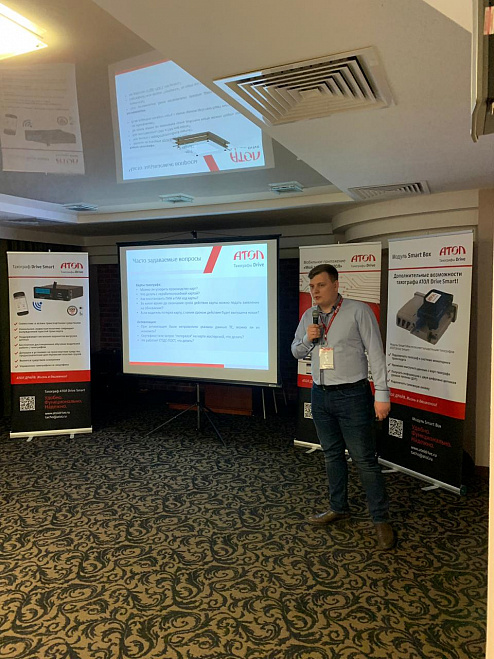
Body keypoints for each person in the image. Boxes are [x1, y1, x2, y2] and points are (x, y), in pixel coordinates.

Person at [291, 263, 395, 550]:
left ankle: (380, 519)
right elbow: (295, 350)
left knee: (364, 460)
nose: (315, 291)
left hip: (353, 395)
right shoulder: (309, 316)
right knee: (332, 455)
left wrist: (382, 393)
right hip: (320, 395)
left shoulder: (358, 310)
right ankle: (339, 507)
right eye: (312, 287)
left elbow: (376, 353)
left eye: (321, 285)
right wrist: (308, 338)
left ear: (336, 285)